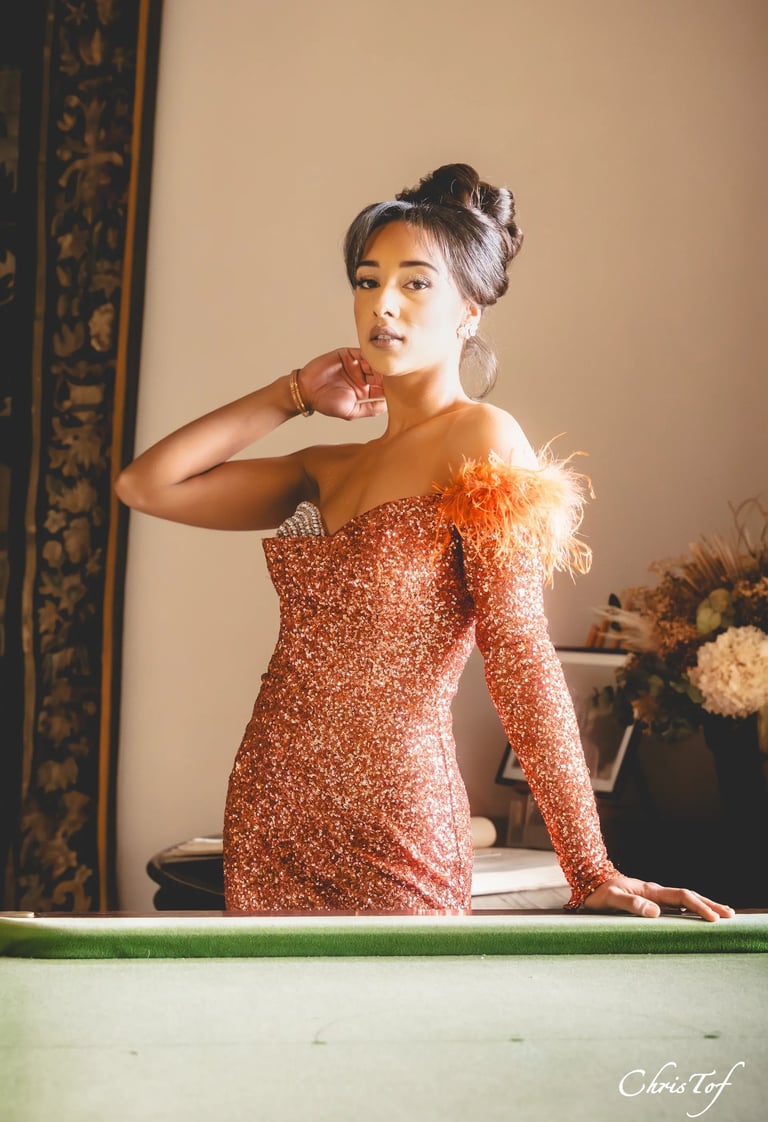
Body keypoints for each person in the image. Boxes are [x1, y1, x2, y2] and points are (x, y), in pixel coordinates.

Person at [116, 163, 733, 922]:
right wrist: (295, 395)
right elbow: (146, 486)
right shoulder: (326, 466)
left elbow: (521, 657)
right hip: (272, 808)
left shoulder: (483, 438)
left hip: (397, 822)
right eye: (367, 281)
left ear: (469, 311)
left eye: (415, 283)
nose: (383, 305)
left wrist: (590, 865)